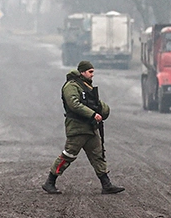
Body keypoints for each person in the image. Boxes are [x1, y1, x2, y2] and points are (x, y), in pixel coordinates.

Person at [43, 60, 125, 195]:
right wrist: (93, 114)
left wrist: (104, 111)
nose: (92, 75)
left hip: (90, 128)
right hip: (77, 129)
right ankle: (50, 182)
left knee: (97, 155)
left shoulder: (86, 87)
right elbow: (74, 104)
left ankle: (106, 184)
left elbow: (96, 103)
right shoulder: (71, 86)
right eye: (90, 72)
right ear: (82, 72)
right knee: (68, 155)